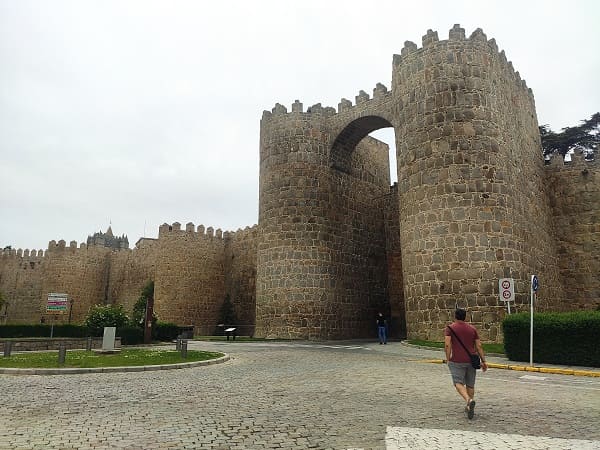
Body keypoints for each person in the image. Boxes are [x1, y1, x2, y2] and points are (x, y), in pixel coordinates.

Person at [444, 308, 487, 419]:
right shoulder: (472, 329)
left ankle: (468, 400)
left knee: (458, 383)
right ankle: (469, 406)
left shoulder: (450, 328)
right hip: (471, 360)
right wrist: (483, 361)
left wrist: (448, 358)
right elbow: (479, 346)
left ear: (455, 316)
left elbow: (448, 345)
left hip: (457, 360)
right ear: (465, 317)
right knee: (470, 384)